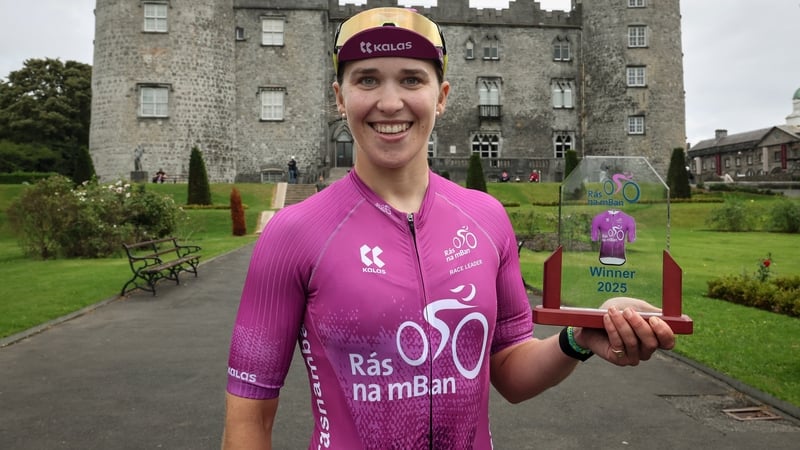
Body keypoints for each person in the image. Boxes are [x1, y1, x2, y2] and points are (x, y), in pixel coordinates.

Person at [222, 7, 675, 449]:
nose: (390, 101)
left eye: (412, 79)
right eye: (367, 79)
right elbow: (249, 418)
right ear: (339, 98)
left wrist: (578, 337)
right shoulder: (294, 233)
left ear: (441, 96)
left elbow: (510, 371)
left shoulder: (486, 217)